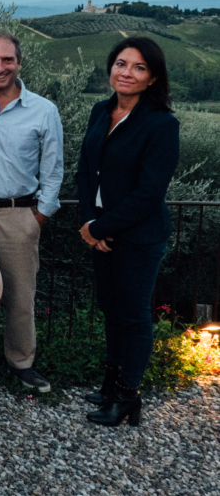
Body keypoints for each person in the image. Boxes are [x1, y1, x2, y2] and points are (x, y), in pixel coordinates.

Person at [77, 36, 179, 426]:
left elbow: (149, 193)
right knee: (110, 309)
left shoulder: (161, 124)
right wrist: (89, 223)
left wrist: (101, 226)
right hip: (100, 229)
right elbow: (86, 171)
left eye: (139, 67)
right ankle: (109, 383)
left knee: (134, 316)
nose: (127, 73)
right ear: (111, 68)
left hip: (138, 236)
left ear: (153, 78)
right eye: (122, 63)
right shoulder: (100, 112)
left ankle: (126, 396)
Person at [0, 32, 63, 393]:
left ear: (19, 63)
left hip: (20, 214)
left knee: (20, 296)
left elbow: (53, 171)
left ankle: (22, 363)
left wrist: (39, 217)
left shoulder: (43, 110)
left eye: (7, 60)